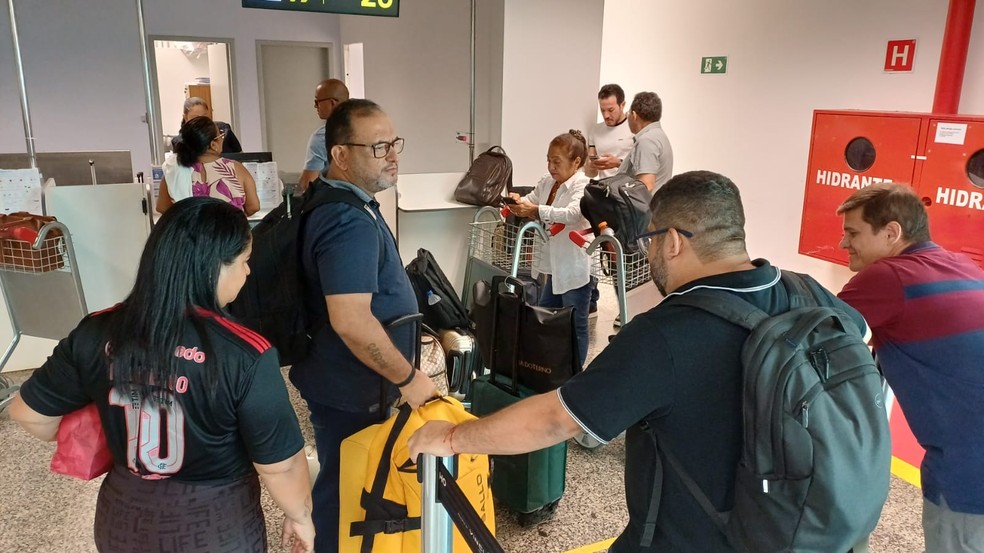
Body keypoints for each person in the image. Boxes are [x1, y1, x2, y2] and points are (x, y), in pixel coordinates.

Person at [409, 170, 866, 552]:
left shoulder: (664, 335)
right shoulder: (807, 291)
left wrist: (451, 437)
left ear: (672, 242)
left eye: (648, 240)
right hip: (794, 526)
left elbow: (556, 420)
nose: (646, 252)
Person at [9, 197, 314, 553]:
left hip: (123, 518)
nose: (248, 272)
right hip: (213, 524)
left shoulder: (96, 330)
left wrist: (116, 431)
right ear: (213, 266)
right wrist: (300, 516)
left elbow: (27, 414)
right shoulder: (245, 353)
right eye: (245, 262)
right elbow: (281, 466)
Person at [288, 99, 438, 553]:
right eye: (378, 146)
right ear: (340, 155)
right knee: (345, 488)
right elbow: (352, 321)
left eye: (394, 142)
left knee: (346, 477)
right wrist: (409, 378)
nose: (393, 154)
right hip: (351, 386)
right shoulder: (345, 219)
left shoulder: (346, 203)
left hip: (344, 380)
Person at [836, 183, 984, 553]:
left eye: (852, 233)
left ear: (891, 233)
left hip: (969, 473)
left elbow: (809, 332)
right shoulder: (963, 265)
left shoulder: (889, 277)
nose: (843, 244)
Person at [506, 129, 593, 367]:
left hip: (575, 265)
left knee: (576, 324)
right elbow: (533, 199)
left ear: (576, 162)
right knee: (543, 317)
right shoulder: (548, 183)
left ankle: (575, 374)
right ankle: (546, 368)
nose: (551, 167)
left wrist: (535, 210)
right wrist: (519, 202)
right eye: (548, 160)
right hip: (554, 266)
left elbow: (573, 214)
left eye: (557, 162)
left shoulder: (583, 185)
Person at [158, 116, 261, 216]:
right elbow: (253, 206)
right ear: (213, 145)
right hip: (229, 232)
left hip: (190, 232)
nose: (222, 138)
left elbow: (162, 207)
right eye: (220, 135)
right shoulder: (236, 168)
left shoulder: (174, 170)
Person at [296, 79, 351, 193]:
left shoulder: (322, 136)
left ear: (332, 103)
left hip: (333, 203)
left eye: (317, 102)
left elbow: (308, 184)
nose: (315, 106)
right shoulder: (362, 130)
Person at [617, 91, 674, 194]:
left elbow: (646, 186)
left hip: (643, 209)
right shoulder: (658, 135)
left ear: (634, 115)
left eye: (628, 113)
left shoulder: (647, 140)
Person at [585, 84, 634, 180]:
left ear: (622, 105)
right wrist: (591, 166)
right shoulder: (595, 130)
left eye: (611, 110)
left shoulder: (634, 128)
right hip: (603, 189)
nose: (606, 115)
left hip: (627, 189)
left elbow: (643, 167)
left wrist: (618, 163)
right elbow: (590, 174)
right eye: (602, 110)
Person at [173, 96, 243, 154]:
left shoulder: (224, 130)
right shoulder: (180, 142)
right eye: (196, 118)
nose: (201, 121)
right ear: (185, 117)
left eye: (204, 116)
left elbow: (241, 155)